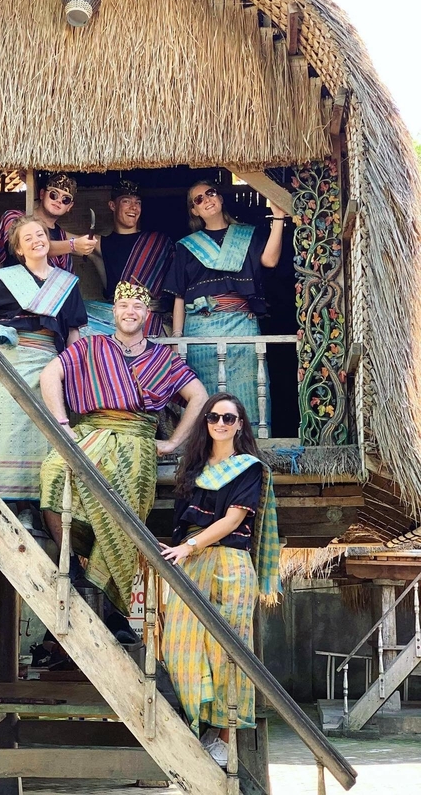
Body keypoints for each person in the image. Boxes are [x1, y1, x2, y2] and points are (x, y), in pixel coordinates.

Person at [38, 282, 207, 640]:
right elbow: (50, 374)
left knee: (126, 510)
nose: (130, 312)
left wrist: (174, 441)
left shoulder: (163, 359)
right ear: (114, 312)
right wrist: (62, 424)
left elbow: (199, 396)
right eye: (124, 305)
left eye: (137, 307)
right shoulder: (90, 346)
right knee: (53, 471)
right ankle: (71, 562)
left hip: (137, 440)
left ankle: (117, 612)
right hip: (90, 432)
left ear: (147, 315)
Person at [160, 392, 280, 768]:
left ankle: (224, 737)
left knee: (228, 651)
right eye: (214, 417)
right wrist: (180, 546)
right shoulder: (193, 469)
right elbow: (187, 521)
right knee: (178, 647)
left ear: (240, 425)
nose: (221, 424)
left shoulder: (248, 468)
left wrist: (190, 546)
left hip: (229, 563)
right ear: (206, 422)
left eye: (229, 418)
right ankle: (199, 723)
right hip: (192, 559)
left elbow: (232, 520)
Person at [0, 217, 87, 500]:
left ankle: (44, 502)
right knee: (12, 433)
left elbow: (73, 332)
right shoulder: (6, 278)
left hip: (50, 363)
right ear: (19, 249)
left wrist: (69, 366)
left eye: (40, 234)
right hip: (13, 361)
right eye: (28, 238)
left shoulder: (66, 284)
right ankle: (16, 504)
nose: (36, 240)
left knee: (48, 433)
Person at [164, 181, 288, 434]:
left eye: (210, 193)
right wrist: (178, 340)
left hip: (241, 323)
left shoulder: (247, 235)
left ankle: (249, 443)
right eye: (198, 199)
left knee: (249, 392)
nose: (207, 199)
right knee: (205, 396)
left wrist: (278, 218)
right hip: (200, 328)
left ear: (220, 198)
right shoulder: (186, 246)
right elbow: (179, 295)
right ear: (194, 211)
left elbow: (270, 260)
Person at [86, 180, 174, 336]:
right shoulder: (99, 243)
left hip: (152, 321)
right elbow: (58, 241)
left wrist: (164, 303)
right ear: (112, 205)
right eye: (126, 201)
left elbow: (177, 284)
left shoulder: (158, 243)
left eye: (137, 203)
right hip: (114, 320)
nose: (133, 207)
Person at [0, 173, 96, 270]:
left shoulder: (61, 235)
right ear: (42, 194)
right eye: (54, 194)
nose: (59, 200)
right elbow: (31, 247)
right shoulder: (13, 217)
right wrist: (73, 245)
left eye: (66, 199)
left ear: (69, 206)